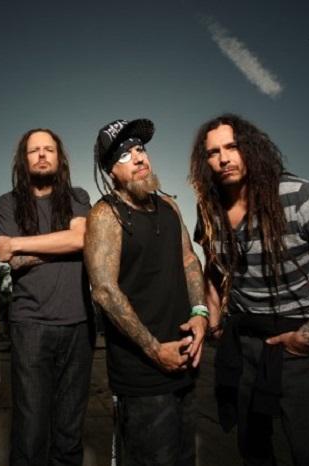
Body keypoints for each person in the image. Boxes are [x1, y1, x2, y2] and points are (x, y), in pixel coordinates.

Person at [189, 113, 309, 465]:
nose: (224, 158)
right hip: (243, 341)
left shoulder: (297, 194)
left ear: (252, 148)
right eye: (213, 152)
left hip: (295, 344)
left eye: (232, 146)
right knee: (253, 448)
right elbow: (212, 267)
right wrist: (213, 319)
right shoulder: (209, 208)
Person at [84, 118, 208, 465]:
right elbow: (104, 291)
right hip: (142, 376)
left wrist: (200, 313)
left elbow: (188, 259)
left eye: (140, 149)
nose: (138, 158)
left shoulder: (169, 206)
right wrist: (155, 350)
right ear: (111, 171)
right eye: (124, 155)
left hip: (185, 362)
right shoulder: (105, 215)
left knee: (185, 457)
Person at [0, 128, 93, 466]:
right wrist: (62, 243)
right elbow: (12, 261)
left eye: (48, 149)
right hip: (30, 325)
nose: (41, 155)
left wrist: (18, 243)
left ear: (59, 157)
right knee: (30, 431)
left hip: (79, 324)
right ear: (23, 160)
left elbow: (80, 240)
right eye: (34, 150)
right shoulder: (8, 202)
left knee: (69, 432)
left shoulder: (78, 196)